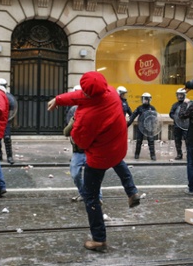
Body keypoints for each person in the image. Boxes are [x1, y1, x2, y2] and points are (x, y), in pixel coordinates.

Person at [48, 71, 140, 252]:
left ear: (87, 91)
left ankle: (99, 239)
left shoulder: (87, 116)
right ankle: (131, 191)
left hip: (99, 157)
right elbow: (80, 96)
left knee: (90, 196)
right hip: (117, 146)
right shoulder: (111, 92)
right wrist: (59, 99)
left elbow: (80, 142)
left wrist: (75, 124)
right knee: (118, 161)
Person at [127, 92, 157, 160]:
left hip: (149, 127)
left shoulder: (152, 108)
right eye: (144, 99)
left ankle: (153, 155)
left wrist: (154, 126)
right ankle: (137, 154)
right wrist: (127, 124)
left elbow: (155, 118)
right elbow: (133, 116)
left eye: (147, 99)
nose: (145, 100)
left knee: (151, 141)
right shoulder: (139, 108)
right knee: (139, 141)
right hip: (140, 127)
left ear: (149, 100)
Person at [0, 78, 16, 164]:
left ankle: (9, 156)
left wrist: (8, 118)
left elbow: (13, 108)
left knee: (7, 138)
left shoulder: (8, 97)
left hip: (5, 120)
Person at [169, 88, 188, 160]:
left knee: (187, 141)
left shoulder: (187, 104)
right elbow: (171, 114)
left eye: (181, 95)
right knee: (177, 140)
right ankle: (179, 154)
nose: (180, 96)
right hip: (177, 126)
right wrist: (176, 118)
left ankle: (189, 154)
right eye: (179, 95)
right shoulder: (175, 105)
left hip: (186, 126)